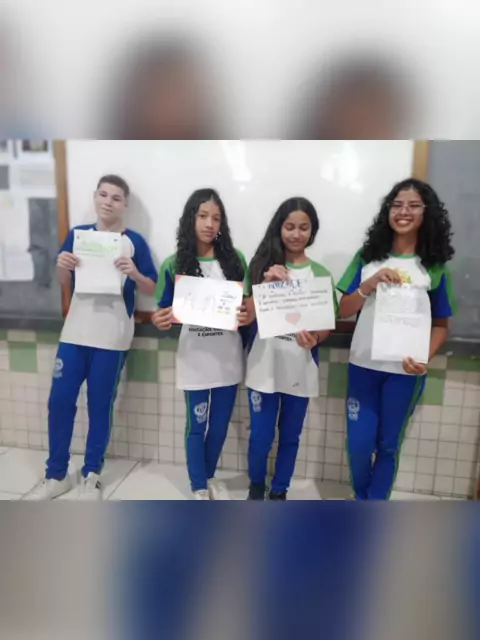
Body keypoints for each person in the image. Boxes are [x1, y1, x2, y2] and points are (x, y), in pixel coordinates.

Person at [27, 175, 157, 501]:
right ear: (95, 197)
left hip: (112, 336)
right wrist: (62, 264)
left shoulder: (134, 242)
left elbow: (152, 287)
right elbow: (63, 280)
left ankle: (92, 475)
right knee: (60, 401)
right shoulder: (78, 235)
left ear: (125, 205)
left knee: (100, 406)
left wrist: (134, 273)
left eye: (116, 198)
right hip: (75, 333)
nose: (108, 202)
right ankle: (56, 475)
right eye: (103, 195)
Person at [337, 178, 456, 500]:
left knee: (388, 445)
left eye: (413, 205)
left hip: (404, 373)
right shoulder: (367, 257)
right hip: (363, 365)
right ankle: (363, 498)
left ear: (426, 213)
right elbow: (344, 309)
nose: (404, 211)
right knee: (359, 445)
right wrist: (369, 284)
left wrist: (423, 358)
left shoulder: (434, 266)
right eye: (397, 205)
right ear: (388, 211)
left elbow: (441, 325)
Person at [152, 188, 249, 500]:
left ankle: (208, 476)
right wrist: (159, 319)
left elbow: (246, 307)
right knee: (197, 425)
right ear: (190, 219)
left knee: (219, 426)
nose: (209, 223)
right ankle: (198, 486)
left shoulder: (235, 261)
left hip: (227, 358)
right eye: (203, 215)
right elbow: (162, 311)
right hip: (194, 359)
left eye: (216, 218)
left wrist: (246, 314)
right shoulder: (174, 263)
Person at [245, 197, 336, 500]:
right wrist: (265, 284)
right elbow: (246, 315)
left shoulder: (320, 274)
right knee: (261, 436)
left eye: (303, 228)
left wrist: (316, 337)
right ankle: (256, 485)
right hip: (264, 365)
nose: (296, 234)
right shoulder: (260, 266)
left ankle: (279, 490)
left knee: (290, 436)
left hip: (300, 365)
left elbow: (326, 324)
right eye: (289, 227)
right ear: (279, 228)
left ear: (312, 231)